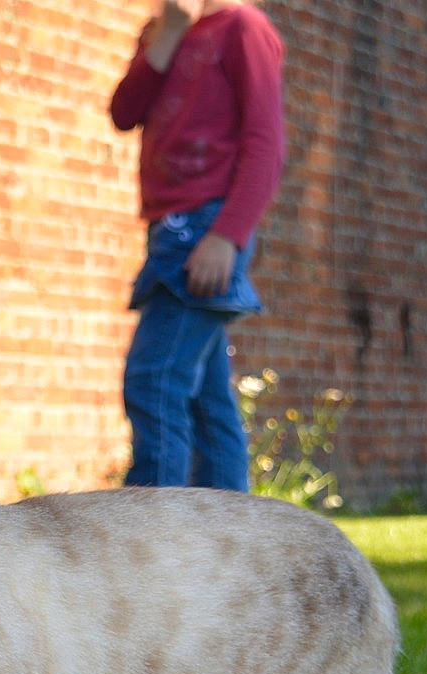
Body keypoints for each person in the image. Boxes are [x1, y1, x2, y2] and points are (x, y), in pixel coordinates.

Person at [109, 0, 285, 491]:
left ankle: (154, 542)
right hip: (168, 230)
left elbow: (266, 144)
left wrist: (227, 236)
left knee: (154, 379)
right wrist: (171, 30)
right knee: (209, 405)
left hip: (207, 227)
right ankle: (234, 546)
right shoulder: (161, 32)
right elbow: (125, 112)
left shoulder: (243, 29)